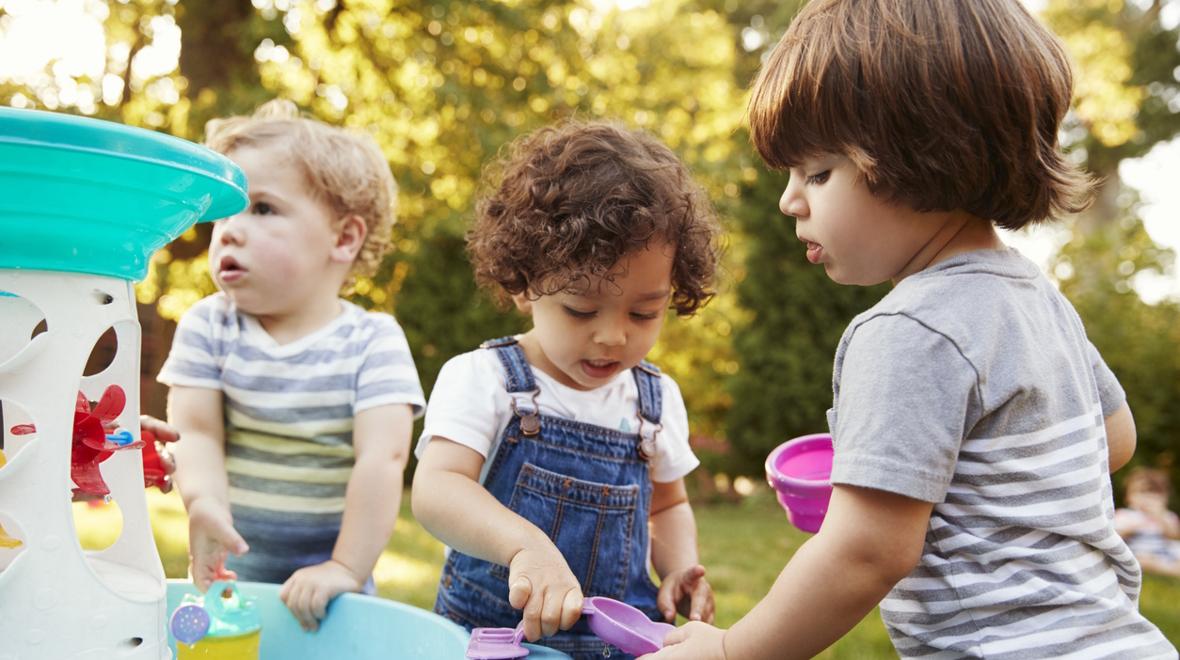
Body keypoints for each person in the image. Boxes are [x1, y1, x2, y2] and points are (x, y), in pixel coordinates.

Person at [646, 1, 1176, 658]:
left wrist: (730, 650)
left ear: (918, 156)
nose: (790, 199)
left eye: (817, 172)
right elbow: (1114, 440)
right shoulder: (1037, 298)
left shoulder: (906, 329)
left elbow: (865, 554)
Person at [412, 120, 719, 659]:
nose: (613, 335)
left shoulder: (656, 400)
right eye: (581, 309)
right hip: (497, 642)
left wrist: (678, 569)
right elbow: (438, 490)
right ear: (526, 284)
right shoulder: (485, 380)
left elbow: (667, 505)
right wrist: (524, 545)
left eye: (645, 312)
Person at [158, 100, 425, 632]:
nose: (229, 231)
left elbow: (383, 457)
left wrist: (345, 567)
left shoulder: (372, 340)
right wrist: (203, 502)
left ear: (343, 238)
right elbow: (197, 433)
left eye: (261, 209)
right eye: (223, 212)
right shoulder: (209, 326)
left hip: (331, 597)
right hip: (231, 580)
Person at [1116, 467, 1180, 578]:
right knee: (1141, 560)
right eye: (1142, 493)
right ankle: (1168, 570)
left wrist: (1160, 516)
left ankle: (1165, 568)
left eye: (1154, 494)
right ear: (1128, 497)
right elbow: (1115, 535)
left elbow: (1174, 535)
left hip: (1163, 552)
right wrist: (1131, 528)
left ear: (1165, 499)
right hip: (1139, 551)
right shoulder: (1126, 515)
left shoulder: (1167, 516)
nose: (1148, 498)